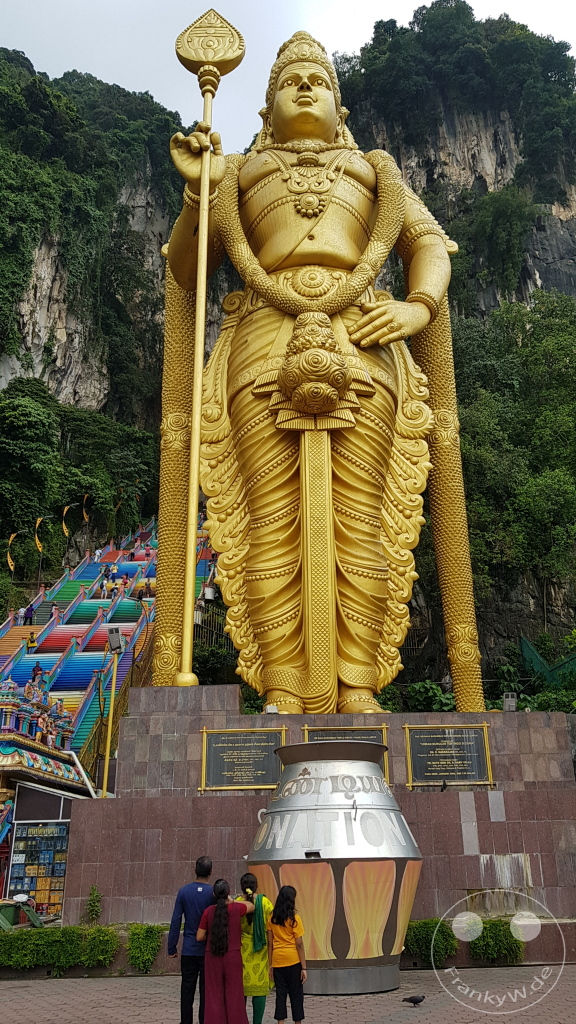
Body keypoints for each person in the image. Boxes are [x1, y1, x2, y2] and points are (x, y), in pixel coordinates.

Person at [197, 879, 253, 1024]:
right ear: (228, 892)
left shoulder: (208, 912)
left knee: (214, 995)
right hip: (233, 955)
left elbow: (199, 936)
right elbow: (251, 906)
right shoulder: (236, 909)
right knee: (235, 995)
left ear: (214, 894)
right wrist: (232, 901)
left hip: (213, 956)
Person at [168, 856, 214, 1024]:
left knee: (187, 989)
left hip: (188, 948)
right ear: (210, 872)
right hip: (207, 950)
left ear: (195, 870)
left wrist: (171, 947)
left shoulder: (184, 891)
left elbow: (176, 920)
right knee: (205, 991)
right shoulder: (213, 893)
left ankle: (185, 1021)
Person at [236, 873, 273, 1024]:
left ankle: (241, 1020)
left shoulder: (237, 902)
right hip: (261, 949)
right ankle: (257, 1021)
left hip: (242, 948)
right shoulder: (265, 902)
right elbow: (272, 925)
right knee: (259, 988)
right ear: (256, 885)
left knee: (242, 988)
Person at [267, 886, 306, 1024]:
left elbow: (270, 943)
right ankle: (297, 1022)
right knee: (296, 995)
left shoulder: (272, 918)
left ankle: (280, 1022)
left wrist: (271, 964)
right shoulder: (295, 919)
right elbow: (299, 944)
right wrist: (304, 967)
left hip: (278, 960)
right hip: (293, 961)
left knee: (280, 995)